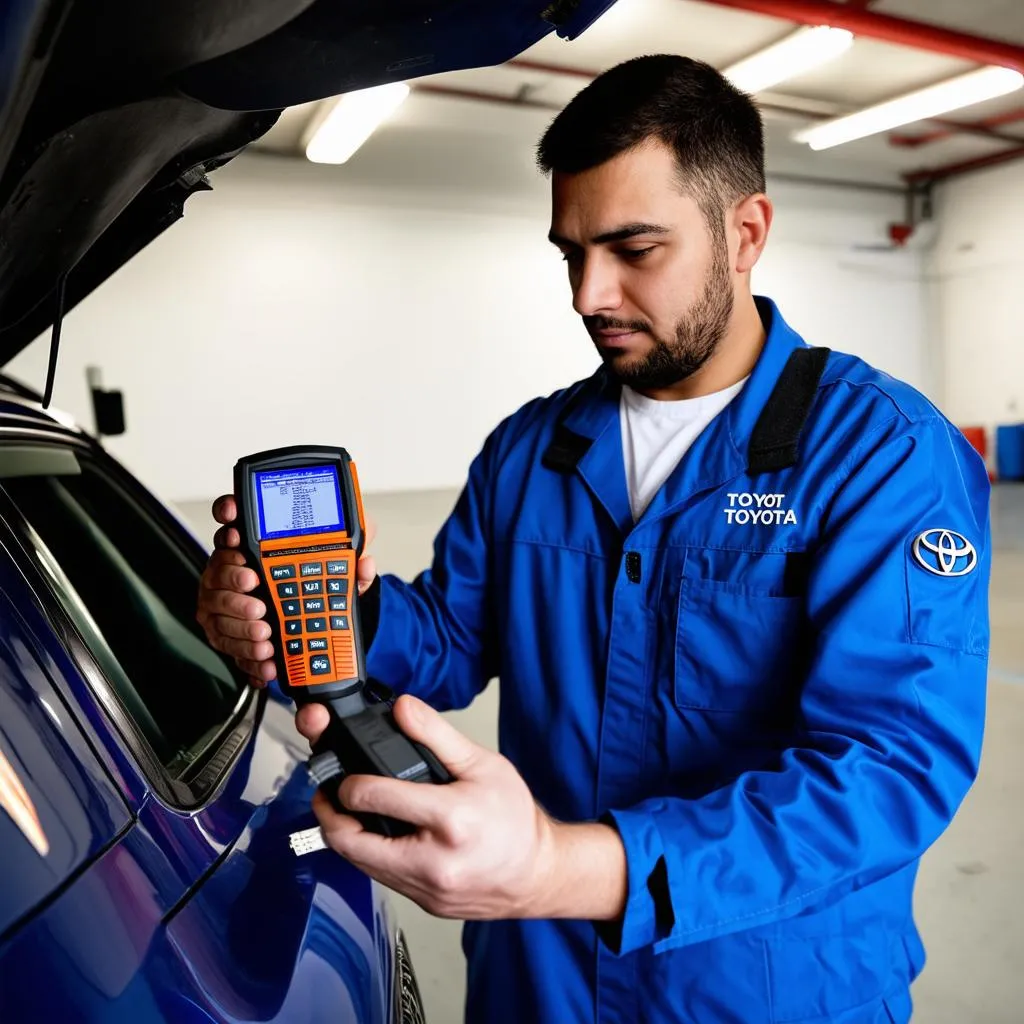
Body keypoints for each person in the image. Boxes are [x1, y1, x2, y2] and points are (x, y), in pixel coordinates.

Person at [197, 55, 990, 1024]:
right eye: (570, 252)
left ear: (745, 234)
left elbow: (888, 767)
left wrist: (562, 867)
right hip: (539, 986)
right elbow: (448, 640)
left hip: (763, 989)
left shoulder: (880, 454)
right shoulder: (533, 448)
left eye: (632, 248)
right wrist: (319, 615)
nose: (586, 293)